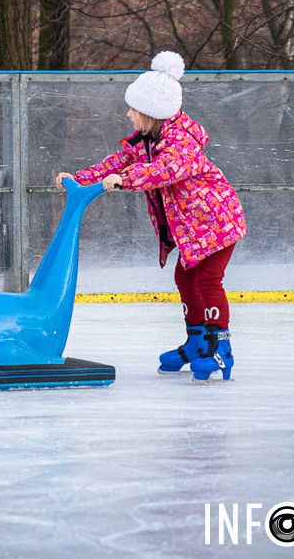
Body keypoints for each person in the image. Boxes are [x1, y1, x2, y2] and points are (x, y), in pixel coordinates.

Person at [55, 51, 246, 382]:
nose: (128, 114)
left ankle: (221, 348)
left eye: (133, 109)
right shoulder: (147, 141)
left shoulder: (181, 143)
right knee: (185, 279)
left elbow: (164, 170)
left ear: (151, 112)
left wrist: (127, 179)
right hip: (192, 230)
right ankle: (197, 341)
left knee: (207, 281)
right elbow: (115, 163)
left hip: (216, 224)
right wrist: (81, 178)